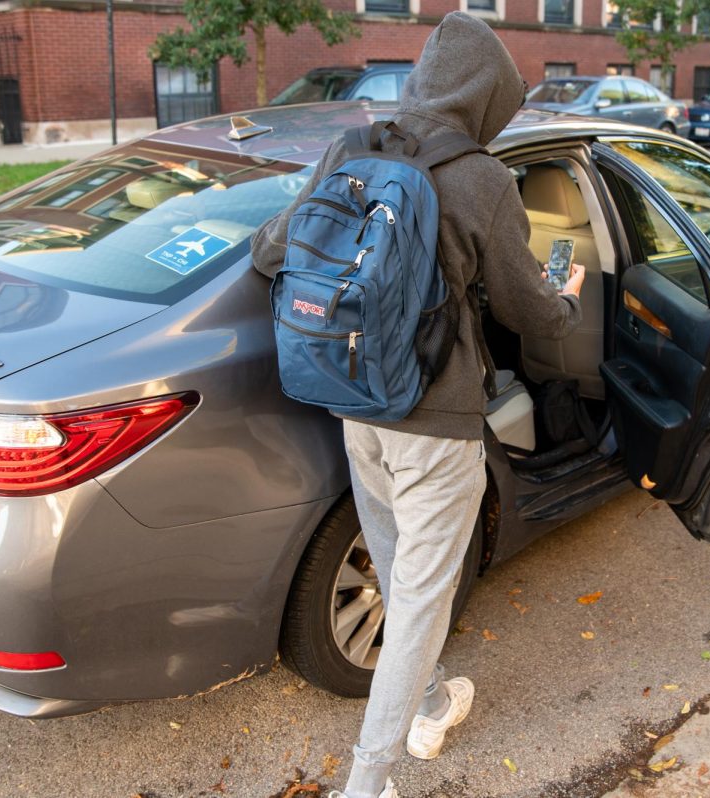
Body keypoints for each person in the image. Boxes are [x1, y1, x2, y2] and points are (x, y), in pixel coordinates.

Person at [251, 12, 585, 798]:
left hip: (351, 399)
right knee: (419, 599)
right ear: (487, 99)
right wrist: (565, 301)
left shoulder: (354, 149)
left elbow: (274, 249)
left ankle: (432, 702)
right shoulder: (484, 179)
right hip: (434, 422)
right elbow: (527, 312)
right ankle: (366, 785)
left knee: (405, 575)